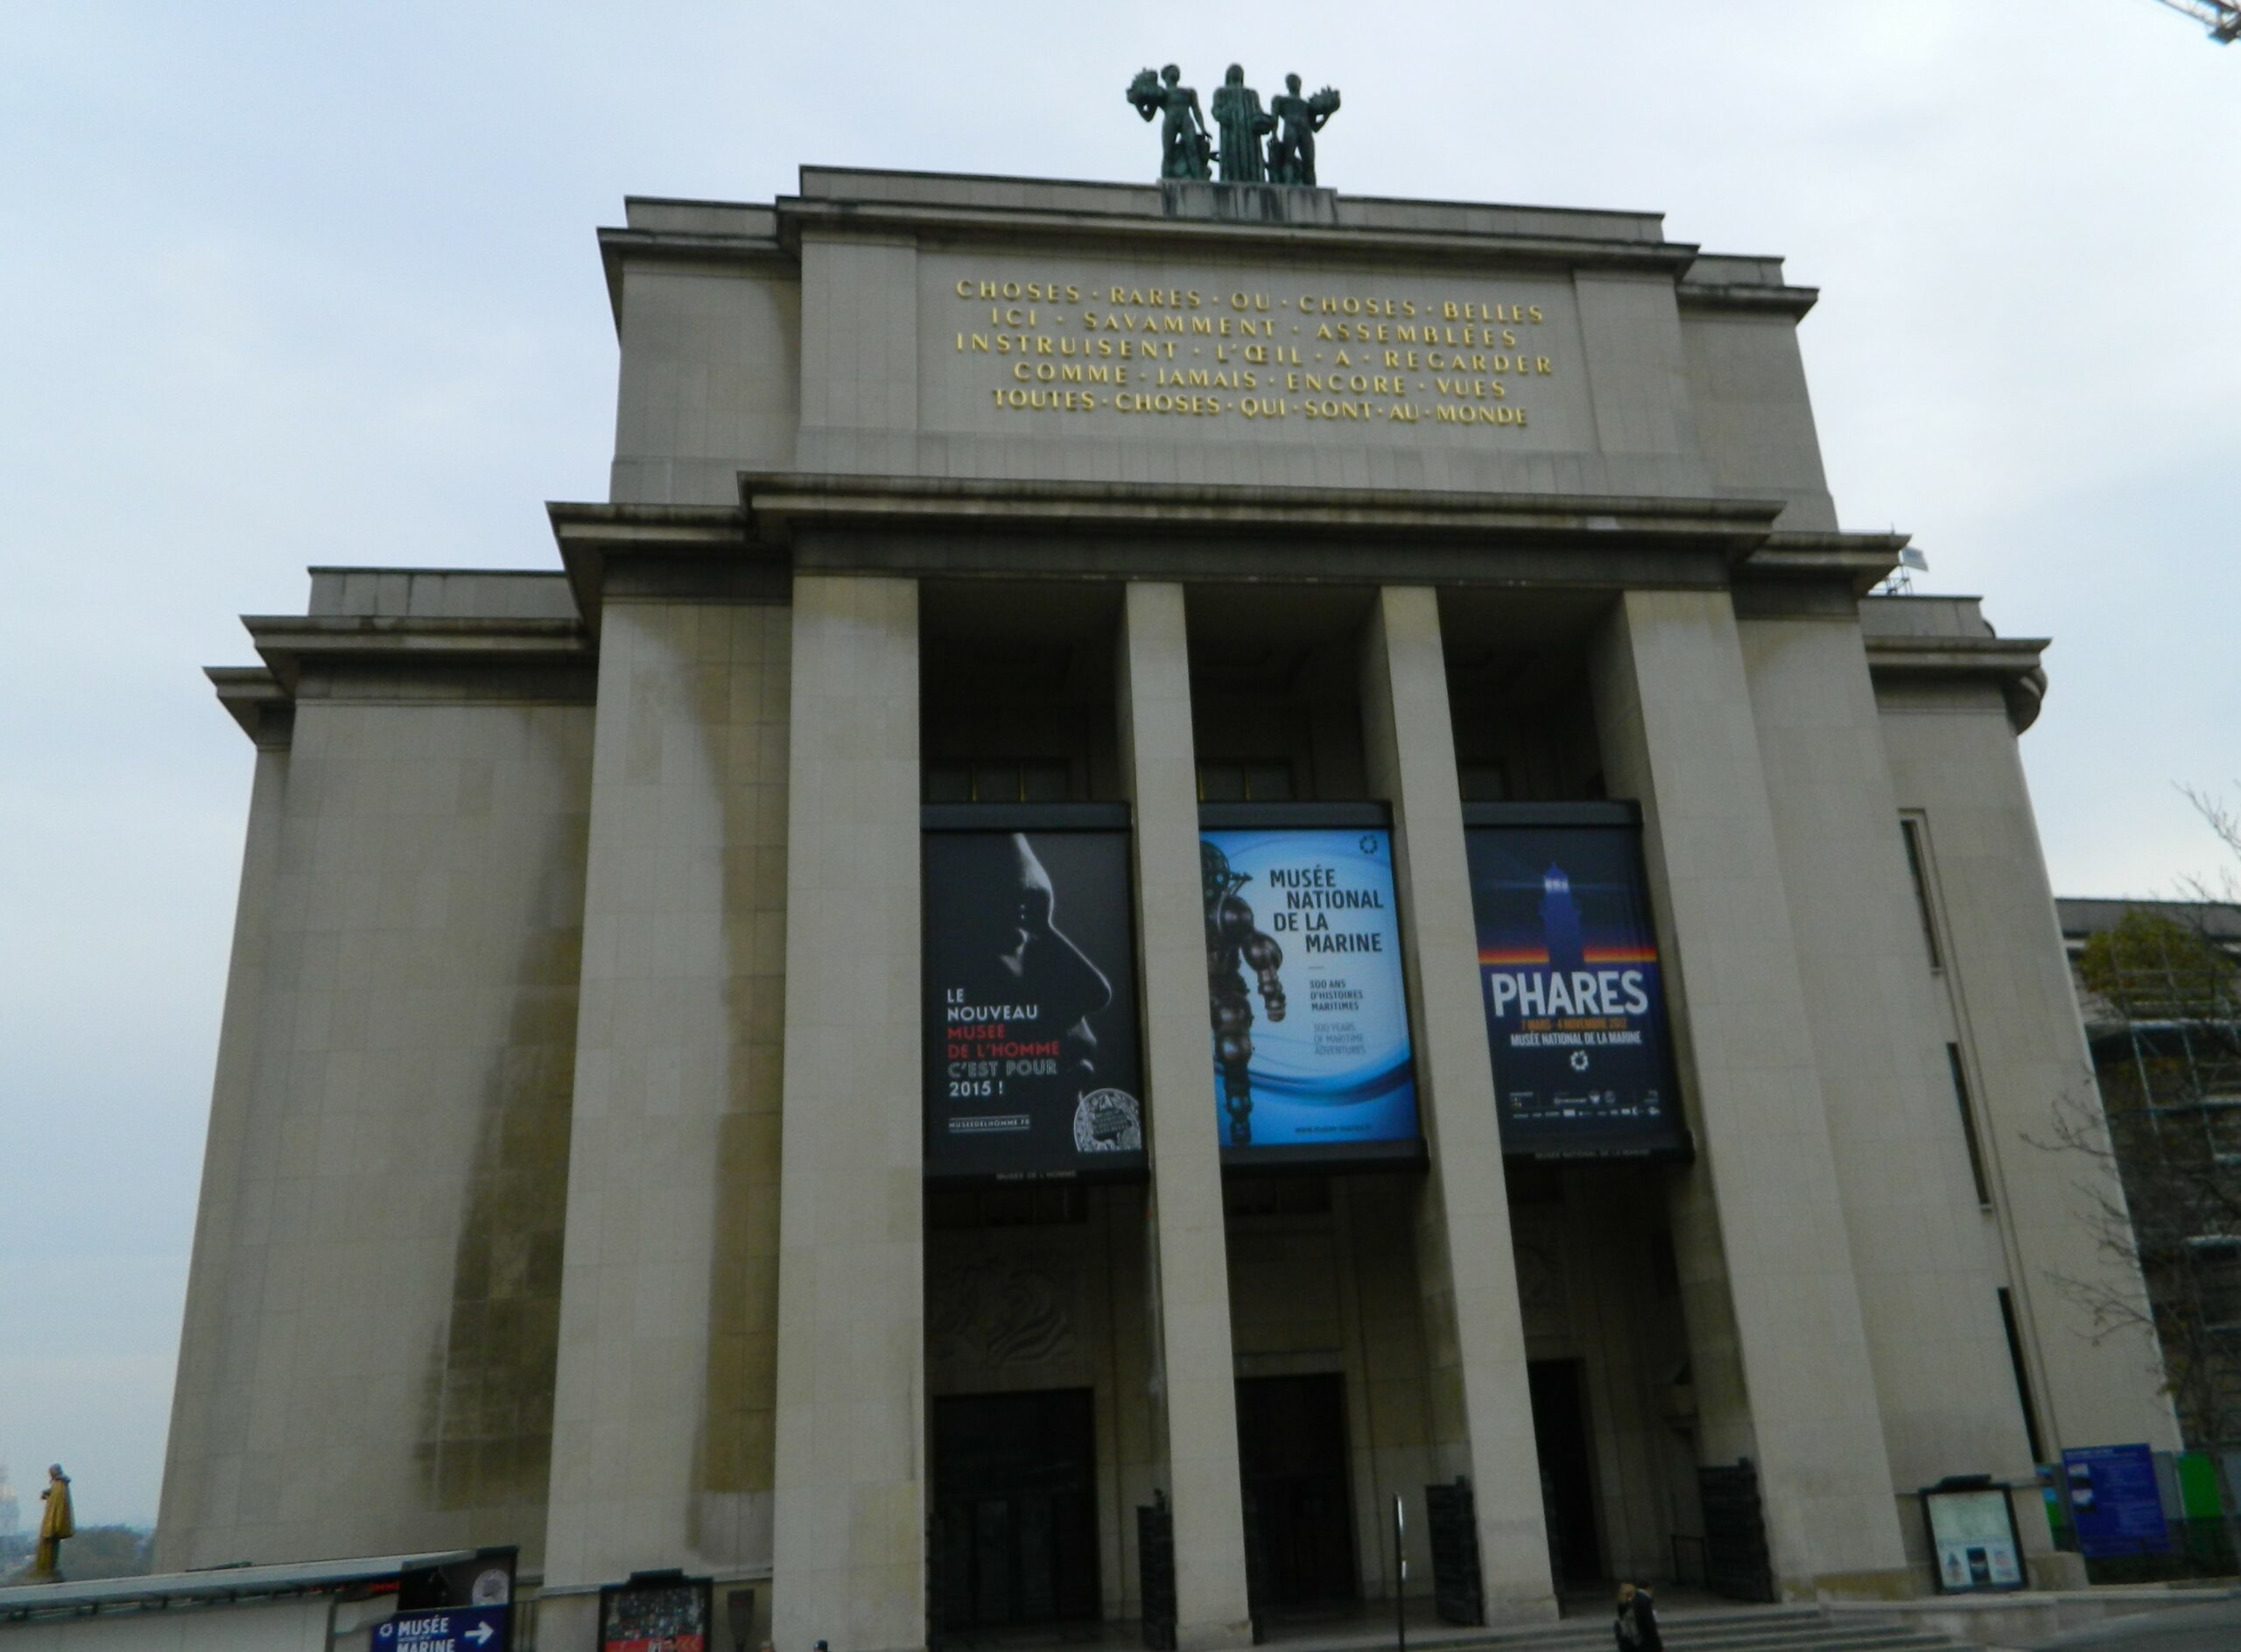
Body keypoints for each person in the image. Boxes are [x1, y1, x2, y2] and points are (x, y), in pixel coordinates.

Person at [1210, 66, 1272, 184]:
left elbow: (1258, 110)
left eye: (1239, 72)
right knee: (1231, 156)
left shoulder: (1252, 94)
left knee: (1251, 157)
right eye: (1233, 71)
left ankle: (1254, 179)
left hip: (1249, 132)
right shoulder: (1221, 92)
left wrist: (1264, 120)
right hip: (1231, 129)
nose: (1236, 73)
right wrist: (1221, 115)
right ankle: (1230, 178)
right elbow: (1215, 109)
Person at [32, 1464, 74, 1581]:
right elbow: (55, 1499)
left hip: (52, 1524)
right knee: (48, 1548)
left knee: (48, 1548)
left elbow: (56, 1506)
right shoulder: (58, 1485)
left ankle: (45, 1569)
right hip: (52, 1523)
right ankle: (45, 1568)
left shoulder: (59, 1485)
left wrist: (52, 1526)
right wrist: (48, 1493)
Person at [1613, 1581, 1661, 1652]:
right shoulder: (1639, 1602)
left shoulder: (1621, 1605)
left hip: (1627, 1640)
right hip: (1640, 1640)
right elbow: (1648, 1625)